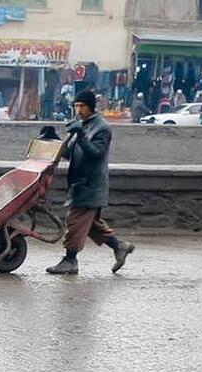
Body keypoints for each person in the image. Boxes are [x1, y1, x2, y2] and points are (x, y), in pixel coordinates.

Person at [47, 89, 135, 276]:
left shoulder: (102, 128)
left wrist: (81, 135)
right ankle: (120, 246)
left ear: (90, 107)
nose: (78, 110)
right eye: (76, 106)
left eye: (82, 106)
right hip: (78, 182)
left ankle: (70, 260)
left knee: (75, 221)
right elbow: (70, 154)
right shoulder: (82, 125)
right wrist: (53, 139)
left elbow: (95, 154)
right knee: (89, 224)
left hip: (91, 184)